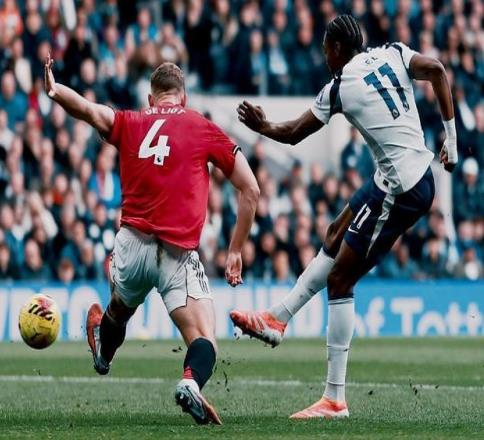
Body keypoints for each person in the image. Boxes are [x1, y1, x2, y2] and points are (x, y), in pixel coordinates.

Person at [231, 14, 457, 419]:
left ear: (336, 49)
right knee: (336, 233)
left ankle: (334, 399)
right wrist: (451, 141)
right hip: (409, 173)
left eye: (325, 50)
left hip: (402, 189)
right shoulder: (393, 52)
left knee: (340, 278)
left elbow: (294, 133)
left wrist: (262, 126)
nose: (324, 58)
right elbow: (438, 70)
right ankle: (277, 319)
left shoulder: (340, 86)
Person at [44, 58, 259, 425]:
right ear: (183, 98)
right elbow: (250, 189)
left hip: (130, 246)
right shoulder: (201, 126)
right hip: (175, 253)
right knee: (203, 337)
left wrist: (55, 90)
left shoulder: (131, 121)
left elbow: (89, 111)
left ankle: (103, 355)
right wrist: (235, 249)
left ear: (150, 98)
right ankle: (190, 382)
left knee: (119, 310)